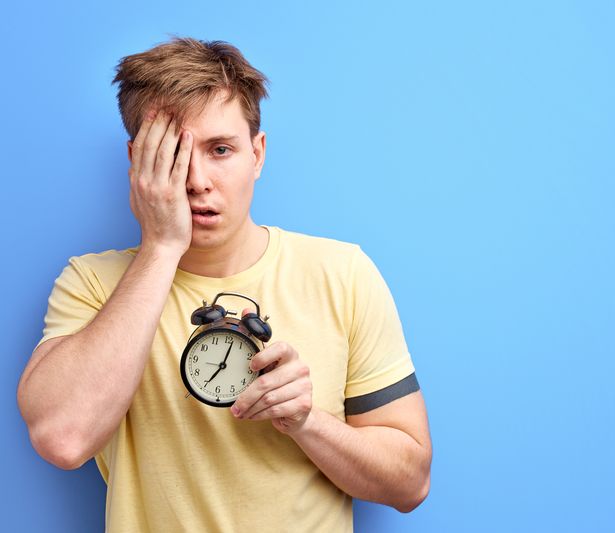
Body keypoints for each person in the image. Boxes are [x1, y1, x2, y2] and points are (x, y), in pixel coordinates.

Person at [17, 37, 431, 532]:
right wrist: (161, 248)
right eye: (171, 154)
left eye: (220, 150)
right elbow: (62, 440)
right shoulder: (92, 282)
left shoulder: (342, 273)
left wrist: (306, 421)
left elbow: (410, 484)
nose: (197, 180)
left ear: (257, 154)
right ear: (136, 161)